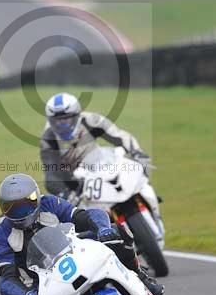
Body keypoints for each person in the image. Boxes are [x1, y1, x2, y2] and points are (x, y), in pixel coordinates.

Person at [0, 173, 163, 295]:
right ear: (2, 208)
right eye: (12, 208)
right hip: (40, 285)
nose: (21, 212)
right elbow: (6, 280)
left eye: (26, 203)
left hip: (74, 253)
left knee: (116, 232)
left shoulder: (49, 203)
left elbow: (87, 215)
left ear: (36, 197)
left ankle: (140, 276)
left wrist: (102, 229)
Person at [40, 92, 162, 222]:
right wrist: (64, 192)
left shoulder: (91, 120)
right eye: (57, 121)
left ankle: (151, 204)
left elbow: (119, 136)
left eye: (66, 119)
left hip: (98, 164)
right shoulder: (48, 138)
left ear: (77, 115)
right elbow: (51, 172)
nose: (61, 125)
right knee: (79, 219)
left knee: (138, 171)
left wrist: (137, 152)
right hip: (74, 181)